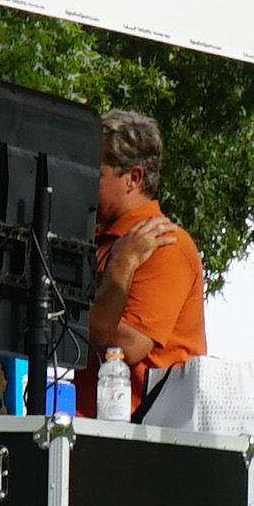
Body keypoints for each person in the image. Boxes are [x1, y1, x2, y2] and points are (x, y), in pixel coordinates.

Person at [88, 109, 212, 391]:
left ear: (133, 178)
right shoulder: (96, 236)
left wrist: (122, 264)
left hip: (140, 427)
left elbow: (126, 346)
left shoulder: (166, 244)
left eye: (96, 173)